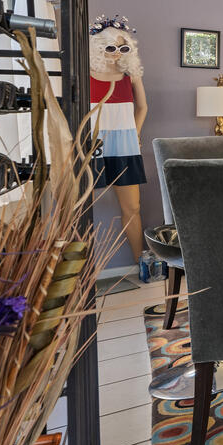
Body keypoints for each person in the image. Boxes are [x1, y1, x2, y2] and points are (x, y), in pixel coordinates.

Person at [89, 15, 148, 262]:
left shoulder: (130, 76)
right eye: (110, 47)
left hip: (125, 146)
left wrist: (134, 134)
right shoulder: (86, 75)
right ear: (99, 47)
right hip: (93, 144)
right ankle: (79, 270)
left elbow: (143, 107)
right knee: (81, 206)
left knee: (132, 208)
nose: (116, 53)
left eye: (122, 48)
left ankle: (141, 262)